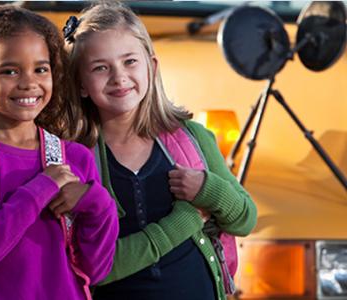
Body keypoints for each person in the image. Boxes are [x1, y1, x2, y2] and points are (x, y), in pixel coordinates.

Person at [63, 2, 257, 299]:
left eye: (130, 62)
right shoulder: (76, 158)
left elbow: (245, 219)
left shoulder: (192, 139)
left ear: (151, 67)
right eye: (101, 67)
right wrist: (187, 220)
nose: (119, 77)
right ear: (80, 84)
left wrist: (210, 188)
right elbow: (97, 268)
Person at [0, 5, 118, 300]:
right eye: (9, 71)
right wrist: (42, 187)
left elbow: (96, 270)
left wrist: (96, 202)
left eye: (40, 69)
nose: (28, 82)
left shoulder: (76, 157)